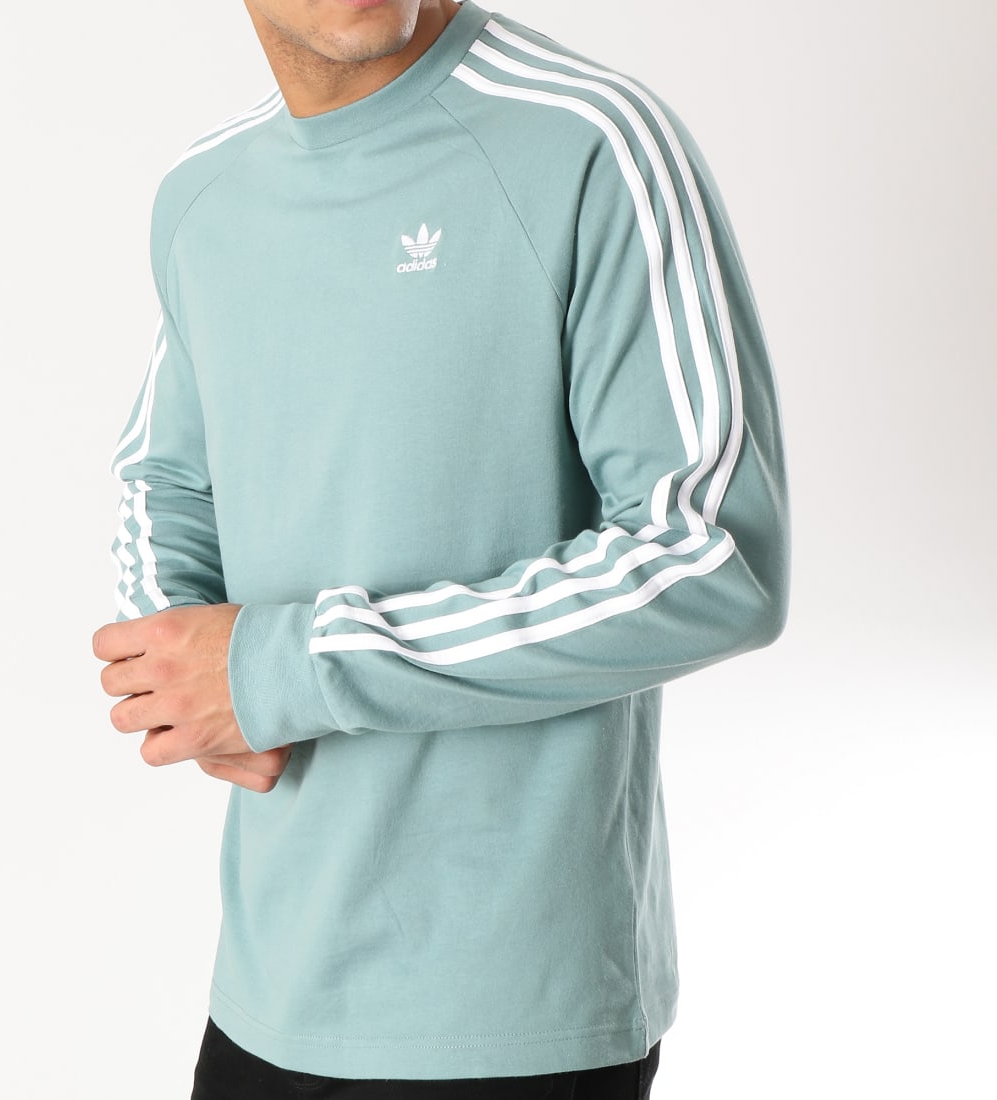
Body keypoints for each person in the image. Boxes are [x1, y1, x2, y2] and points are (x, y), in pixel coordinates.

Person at [92, 1, 790, 1096]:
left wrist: (282, 667)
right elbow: (167, 474)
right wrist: (181, 664)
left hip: (512, 1010)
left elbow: (712, 557)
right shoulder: (204, 195)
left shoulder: (590, 141)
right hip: (269, 987)